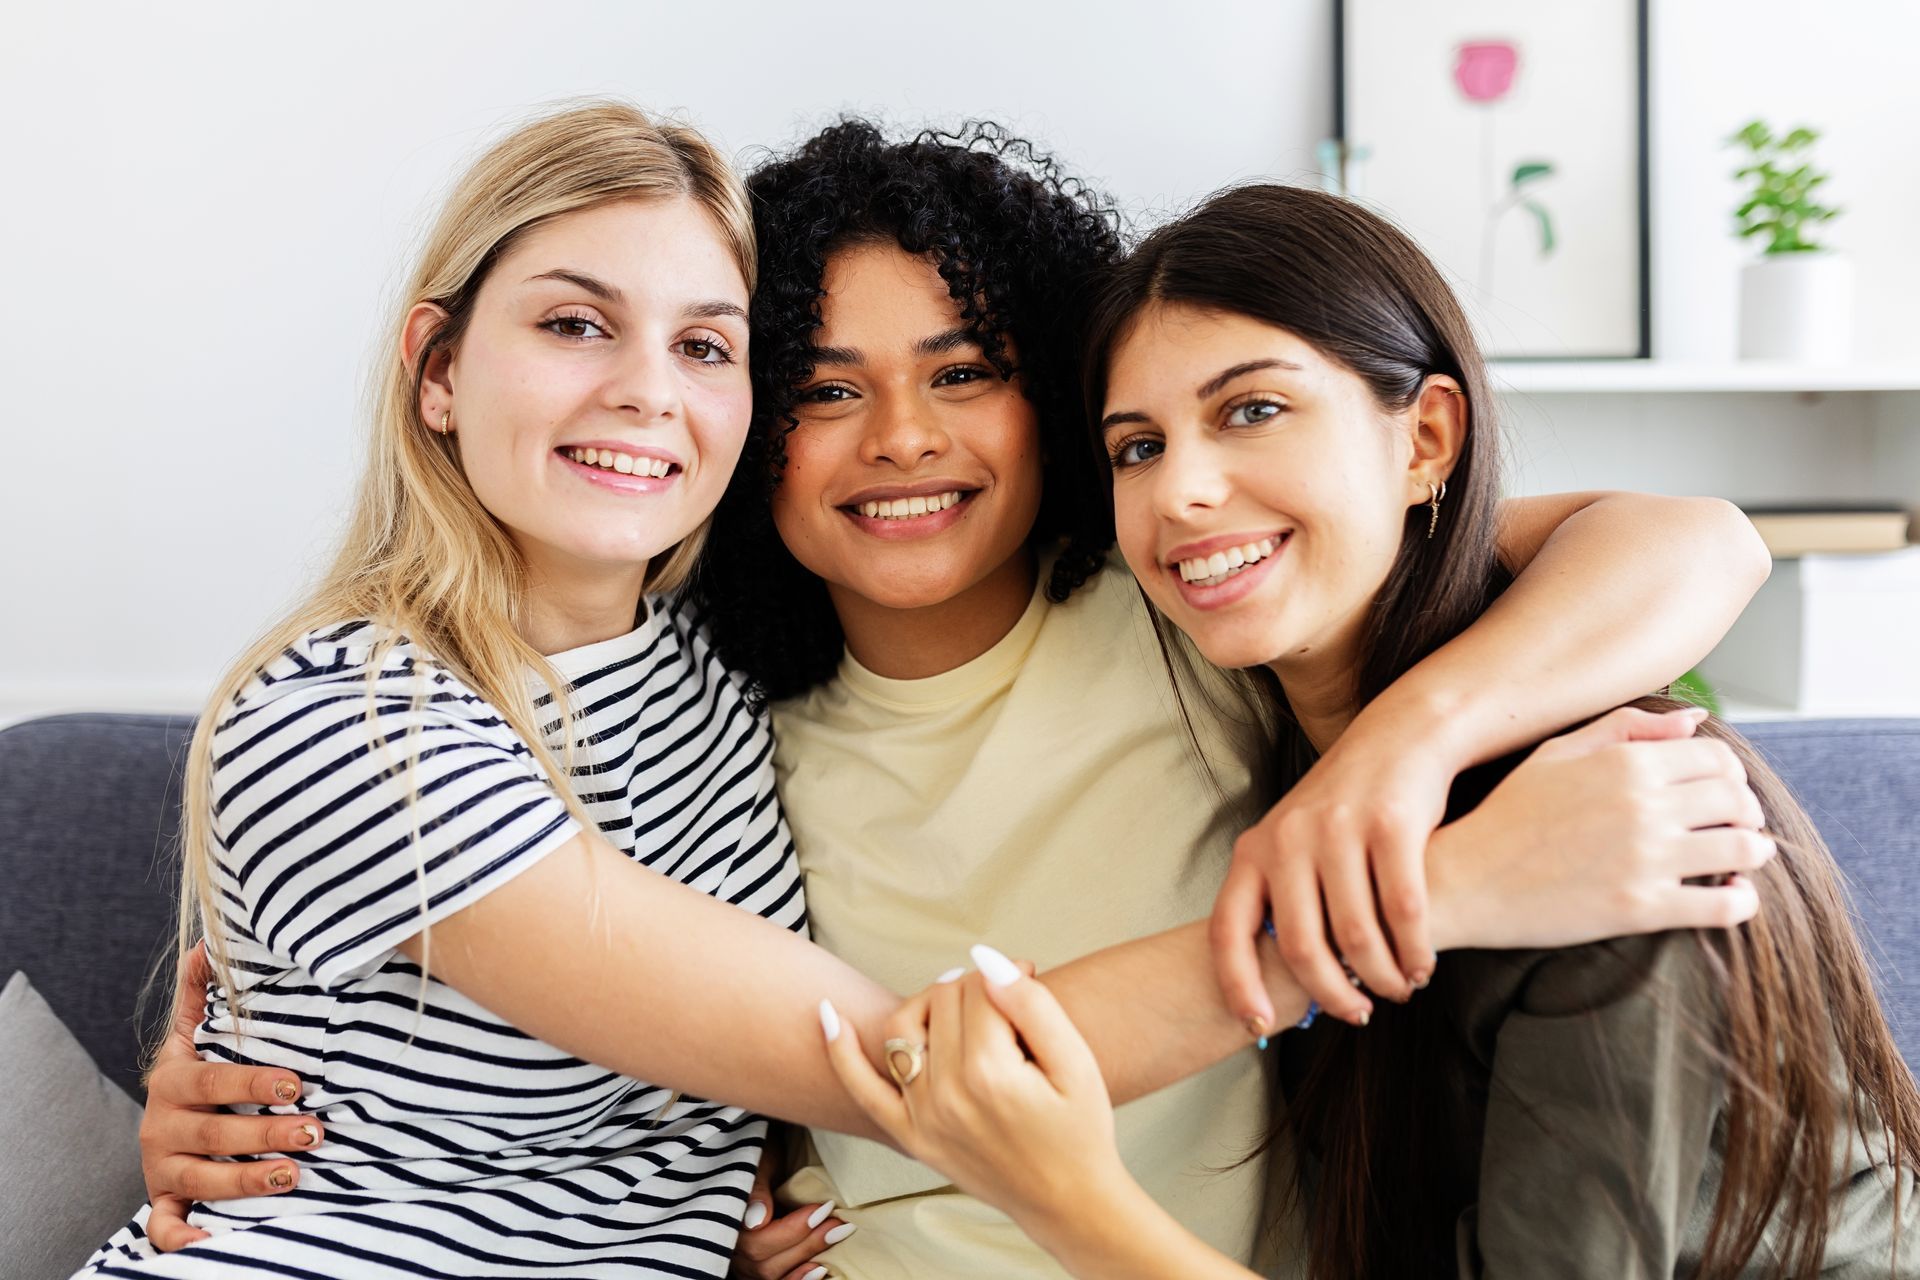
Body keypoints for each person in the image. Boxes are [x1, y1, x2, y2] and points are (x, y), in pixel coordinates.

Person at [131, 121, 1771, 1280]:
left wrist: (1395, 767)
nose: (901, 436)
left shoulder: (1187, 600)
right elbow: (866, 1060)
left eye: (965, 370)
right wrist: (1449, 888)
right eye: (824, 389)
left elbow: (1688, 539)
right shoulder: (706, 687)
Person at [822, 183, 1920, 1279]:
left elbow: (1709, 539)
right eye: (1138, 446)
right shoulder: (1264, 710)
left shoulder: (1612, 828)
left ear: (1427, 437)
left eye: (1252, 410)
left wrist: (1071, 1199)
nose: (1185, 492)